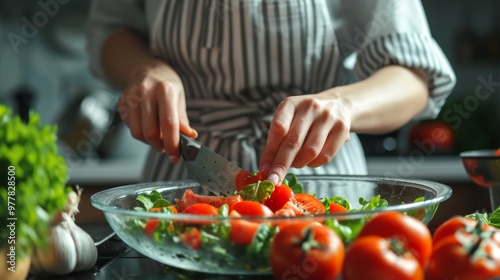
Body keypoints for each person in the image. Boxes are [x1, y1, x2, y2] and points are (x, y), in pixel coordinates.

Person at [86, 0, 456, 186]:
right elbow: (111, 29)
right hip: (179, 183)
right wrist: (145, 69)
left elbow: (414, 75)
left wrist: (344, 104)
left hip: (317, 186)